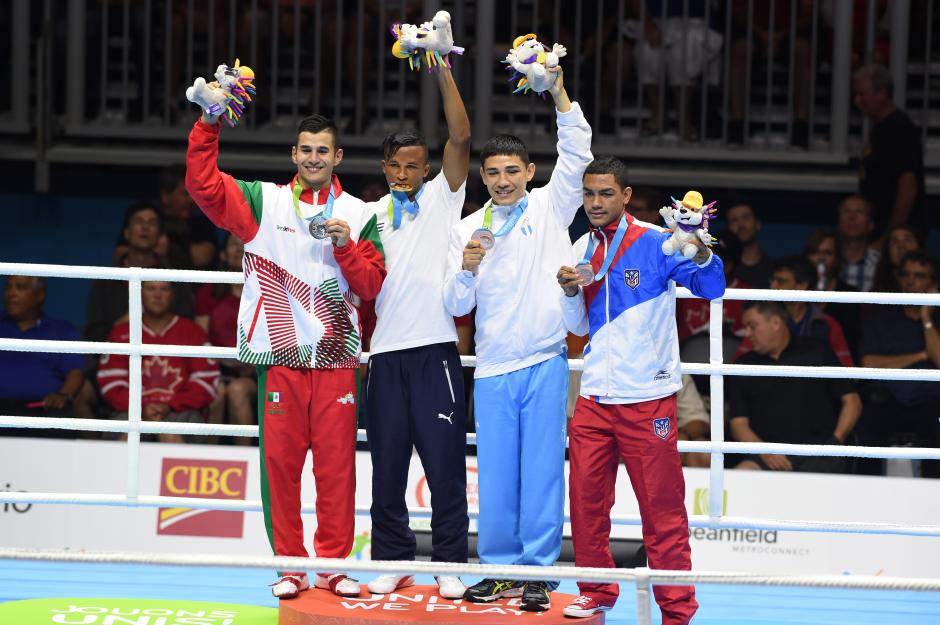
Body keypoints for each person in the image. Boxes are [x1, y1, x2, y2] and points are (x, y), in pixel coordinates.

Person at [185, 104, 386, 598]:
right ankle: (291, 567)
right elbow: (203, 186)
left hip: (336, 360)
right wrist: (208, 125)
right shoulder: (263, 202)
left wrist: (344, 248)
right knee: (280, 466)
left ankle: (334, 566)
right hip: (280, 360)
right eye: (306, 150)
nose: (314, 158)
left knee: (337, 469)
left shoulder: (361, 214)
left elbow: (372, 284)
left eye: (323, 151)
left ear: (337, 156)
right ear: (293, 153)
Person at [442, 66, 591, 612]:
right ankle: (500, 570)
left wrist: (555, 90)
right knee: (498, 477)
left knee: (545, 470)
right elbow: (456, 307)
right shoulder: (466, 229)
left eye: (512, 171)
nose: (503, 180)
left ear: (530, 171)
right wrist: (465, 270)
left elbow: (577, 147)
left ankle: (539, 573)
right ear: (482, 177)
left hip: (547, 361)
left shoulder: (553, 205)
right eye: (493, 173)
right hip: (494, 367)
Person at [556, 157, 724, 622]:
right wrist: (570, 292)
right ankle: (596, 591)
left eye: (605, 193)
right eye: (589, 194)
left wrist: (703, 251)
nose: (595, 202)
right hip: (593, 398)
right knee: (586, 508)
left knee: (663, 514)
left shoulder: (657, 241)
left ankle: (677, 611)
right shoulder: (579, 247)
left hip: (648, 399)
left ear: (625, 196)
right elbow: (576, 325)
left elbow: (713, 288)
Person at [363, 62, 471, 600]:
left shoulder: (442, 199)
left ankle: (449, 560)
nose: (406, 173)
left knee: (444, 463)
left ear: (428, 169)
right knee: (387, 466)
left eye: (415, 166)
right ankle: (392, 557)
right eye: (398, 166)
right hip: (383, 357)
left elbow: (461, 135)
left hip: (435, 353)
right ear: (385, 168)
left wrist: (444, 70)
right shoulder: (366, 214)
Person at [730, 301, 862, 473]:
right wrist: (766, 453)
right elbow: (738, 424)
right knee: (741, 474)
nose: (747, 334)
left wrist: (835, 443)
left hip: (820, 456)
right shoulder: (742, 365)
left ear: (776, 323)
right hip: (764, 459)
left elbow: (852, 401)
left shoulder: (817, 351)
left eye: (752, 326)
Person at [98, 281, 220, 444]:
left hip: (180, 411)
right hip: (130, 411)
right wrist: (141, 407)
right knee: (126, 440)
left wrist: (170, 404)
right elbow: (111, 382)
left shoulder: (193, 332)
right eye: (151, 289)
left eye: (164, 289)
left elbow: (205, 381)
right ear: (140, 293)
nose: (157, 295)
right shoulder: (121, 333)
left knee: (175, 440)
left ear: (173, 294)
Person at [857, 251, 940, 477]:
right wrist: (922, 356)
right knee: (865, 432)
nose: (911, 281)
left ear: (934, 283)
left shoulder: (936, 320)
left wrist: (927, 317)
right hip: (886, 403)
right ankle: (866, 506)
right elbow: (868, 364)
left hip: (931, 404)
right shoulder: (880, 319)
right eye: (906, 275)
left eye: (920, 276)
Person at [84, 202, 195, 348]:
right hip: (115, 361)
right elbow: (93, 337)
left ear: (160, 236)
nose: (145, 227)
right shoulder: (105, 282)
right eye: (138, 222)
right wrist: (120, 326)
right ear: (127, 233)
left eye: (152, 223)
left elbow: (187, 329)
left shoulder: (175, 280)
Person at [0, 276, 86, 438]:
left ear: (40, 295)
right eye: (8, 287)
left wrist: (62, 396)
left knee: (62, 425)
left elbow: (75, 372)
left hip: (41, 410)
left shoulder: (62, 330)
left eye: (20, 287)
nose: (11, 293)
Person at [194, 233, 257, 445]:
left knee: (238, 390)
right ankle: (209, 459)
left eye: (244, 244)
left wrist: (250, 365)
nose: (239, 249)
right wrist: (221, 365)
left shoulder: (265, 290)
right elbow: (201, 337)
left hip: (256, 371)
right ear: (222, 253)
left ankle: (247, 459)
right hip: (217, 369)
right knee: (218, 390)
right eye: (232, 244)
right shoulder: (208, 292)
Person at [854, 64, 927, 235]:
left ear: (882, 94)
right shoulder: (880, 128)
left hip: (899, 235)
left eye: (861, 94)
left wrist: (891, 236)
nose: (856, 101)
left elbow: (908, 186)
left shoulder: (898, 128)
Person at [768, 255, 854, 367]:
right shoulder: (764, 320)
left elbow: (846, 370)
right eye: (772, 280)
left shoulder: (827, 324)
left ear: (802, 285)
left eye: (781, 281)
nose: (772, 286)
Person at [802, 228, 862, 362]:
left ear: (836, 258)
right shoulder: (797, 293)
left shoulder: (850, 295)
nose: (820, 258)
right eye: (814, 253)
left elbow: (853, 344)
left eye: (827, 253)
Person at [837, 195, 880, 292]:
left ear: (870, 224)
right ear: (839, 222)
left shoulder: (880, 264)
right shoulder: (829, 259)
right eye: (847, 212)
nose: (852, 217)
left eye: (859, 212)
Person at [725, 202, 774, 288]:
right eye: (734, 220)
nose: (741, 225)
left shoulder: (774, 269)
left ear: (758, 224)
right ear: (728, 228)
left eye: (746, 218)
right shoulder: (723, 270)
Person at [871, 224, 922, 294]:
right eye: (895, 242)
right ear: (887, 252)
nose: (901, 246)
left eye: (908, 240)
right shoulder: (876, 296)